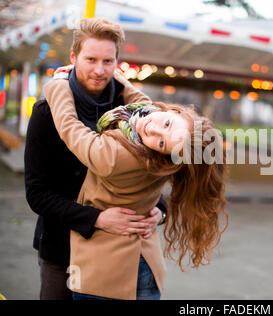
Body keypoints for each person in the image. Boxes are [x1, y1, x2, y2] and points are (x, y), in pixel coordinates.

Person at [43, 72, 228, 300]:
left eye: (161, 142)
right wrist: (116, 75)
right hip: (148, 267)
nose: (152, 129)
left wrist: (58, 84)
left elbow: (69, 127)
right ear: (174, 111)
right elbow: (145, 105)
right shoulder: (165, 157)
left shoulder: (113, 156)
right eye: (167, 123)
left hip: (106, 277)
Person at [24, 18, 167, 300]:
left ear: (117, 62)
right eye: (90, 59)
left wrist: (160, 210)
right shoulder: (46, 112)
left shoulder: (131, 112)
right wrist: (97, 218)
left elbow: (156, 170)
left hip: (118, 252)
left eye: (107, 61)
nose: (99, 70)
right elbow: (37, 194)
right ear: (73, 57)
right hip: (61, 249)